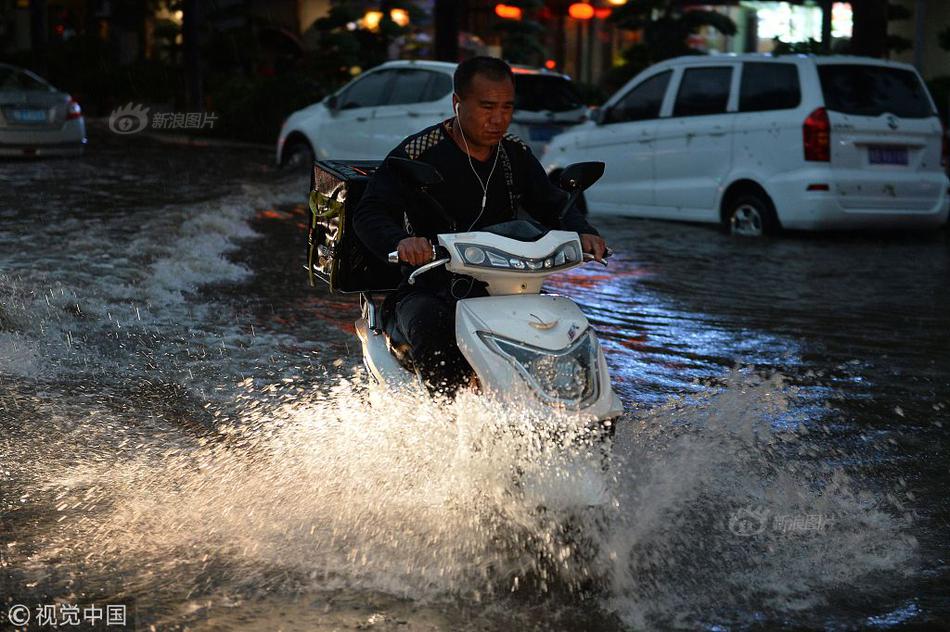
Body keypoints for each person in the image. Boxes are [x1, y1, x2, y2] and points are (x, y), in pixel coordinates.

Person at [353, 56, 607, 395]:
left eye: (507, 107)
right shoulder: (419, 153)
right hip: (433, 287)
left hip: (506, 287)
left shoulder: (514, 153)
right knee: (433, 327)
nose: (498, 119)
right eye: (487, 107)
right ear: (458, 103)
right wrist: (401, 242)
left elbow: (554, 204)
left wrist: (585, 232)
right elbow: (369, 212)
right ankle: (448, 423)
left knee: (561, 330)